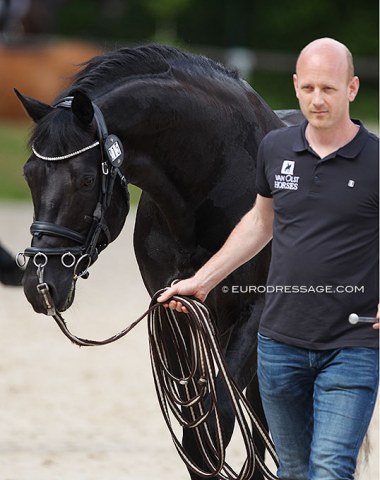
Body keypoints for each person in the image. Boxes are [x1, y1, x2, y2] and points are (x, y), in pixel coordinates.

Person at [158, 38, 379, 480]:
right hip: (279, 345)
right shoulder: (275, 150)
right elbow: (259, 226)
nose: (317, 100)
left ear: (352, 88)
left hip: (351, 346)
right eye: (309, 88)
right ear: (296, 86)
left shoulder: (375, 160)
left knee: (330, 466)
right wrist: (201, 281)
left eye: (330, 89)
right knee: (293, 468)